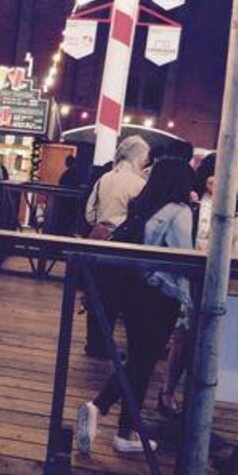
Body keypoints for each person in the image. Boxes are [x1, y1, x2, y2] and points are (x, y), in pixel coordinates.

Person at [77, 158, 195, 454]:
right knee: (142, 363)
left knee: (139, 362)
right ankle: (105, 413)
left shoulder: (144, 206)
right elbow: (184, 259)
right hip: (161, 296)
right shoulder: (179, 212)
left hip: (134, 292)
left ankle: (123, 429)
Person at [83, 136, 150, 358]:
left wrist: (101, 223)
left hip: (98, 239)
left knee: (96, 293)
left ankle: (93, 342)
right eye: (145, 157)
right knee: (114, 296)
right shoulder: (140, 184)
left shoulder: (105, 178)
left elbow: (89, 212)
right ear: (138, 157)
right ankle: (104, 344)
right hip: (123, 243)